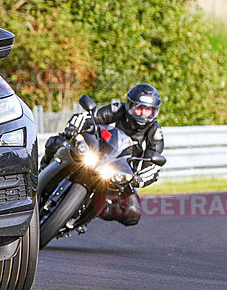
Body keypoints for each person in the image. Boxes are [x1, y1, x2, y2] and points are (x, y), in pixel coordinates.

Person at [40, 83, 164, 226]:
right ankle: (42, 171)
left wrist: (138, 179)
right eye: (140, 109)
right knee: (57, 142)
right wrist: (73, 127)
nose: (143, 114)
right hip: (97, 153)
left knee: (132, 212)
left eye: (148, 110)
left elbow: (153, 166)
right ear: (130, 105)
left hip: (120, 172)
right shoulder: (118, 109)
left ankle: (88, 214)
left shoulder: (155, 133)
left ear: (155, 112)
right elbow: (89, 117)